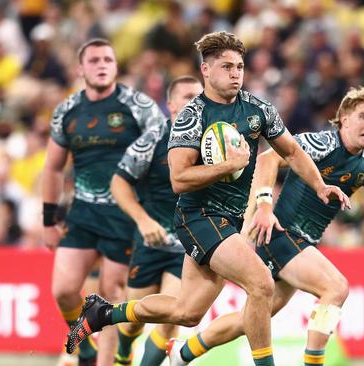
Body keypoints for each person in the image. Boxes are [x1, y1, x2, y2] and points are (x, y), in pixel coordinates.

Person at [64, 31, 349, 366]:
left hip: (231, 219)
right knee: (261, 285)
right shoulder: (192, 117)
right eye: (226, 66)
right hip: (198, 217)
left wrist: (319, 186)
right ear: (206, 71)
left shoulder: (258, 109)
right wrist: (229, 165)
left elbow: (291, 151)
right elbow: (179, 179)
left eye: (240, 66)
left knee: (186, 312)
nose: (235, 73)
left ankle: (103, 312)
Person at [166, 86, 364, 366]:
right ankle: (313, 362)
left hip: (301, 242)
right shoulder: (322, 144)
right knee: (335, 288)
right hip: (281, 234)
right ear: (345, 119)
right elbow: (269, 158)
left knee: (255, 317)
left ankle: (183, 352)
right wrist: (265, 205)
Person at [42, 38, 167, 366]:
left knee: (113, 294)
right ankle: (85, 348)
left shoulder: (138, 106)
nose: (101, 65)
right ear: (80, 68)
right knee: (64, 290)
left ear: (116, 66)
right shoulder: (67, 111)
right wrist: (48, 220)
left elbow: (165, 153)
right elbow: (53, 167)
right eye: (94, 60)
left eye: (108, 60)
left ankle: (105, 363)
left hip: (125, 213)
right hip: (83, 211)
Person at [109, 76, 203, 365]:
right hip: (151, 241)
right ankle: (124, 351)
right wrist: (142, 220)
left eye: (200, 97)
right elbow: (119, 183)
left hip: (188, 246)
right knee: (134, 321)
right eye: (188, 97)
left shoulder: (214, 142)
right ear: (171, 104)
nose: (196, 103)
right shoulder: (153, 139)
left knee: (172, 316)